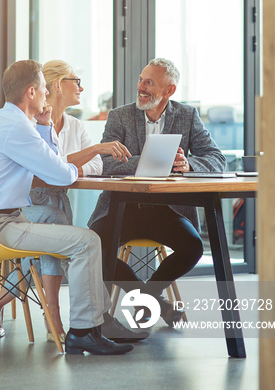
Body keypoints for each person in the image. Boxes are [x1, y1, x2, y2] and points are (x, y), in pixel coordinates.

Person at [0, 59, 134, 356]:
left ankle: (94, 323)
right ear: (32, 92)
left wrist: (46, 131)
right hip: (2, 225)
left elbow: (49, 163)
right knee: (87, 242)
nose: (48, 93)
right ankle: (85, 331)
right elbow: (58, 173)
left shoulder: (4, 121)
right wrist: (69, 166)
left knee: (66, 227)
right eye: (45, 88)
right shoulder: (19, 128)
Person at [88, 57, 226, 325]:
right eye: (141, 79)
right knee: (95, 247)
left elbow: (216, 158)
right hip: (121, 209)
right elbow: (103, 162)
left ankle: (148, 297)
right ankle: (154, 305)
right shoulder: (120, 116)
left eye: (149, 82)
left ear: (169, 90)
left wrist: (188, 164)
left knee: (193, 247)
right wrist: (150, 160)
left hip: (167, 211)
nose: (141, 87)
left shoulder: (187, 116)